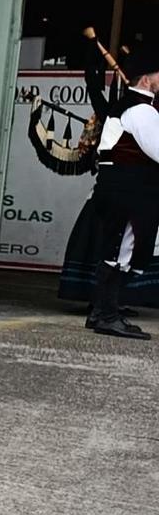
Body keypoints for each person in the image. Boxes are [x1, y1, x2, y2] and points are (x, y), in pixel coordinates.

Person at [84, 46, 159, 339]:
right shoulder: (140, 110)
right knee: (121, 250)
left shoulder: (130, 105)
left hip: (122, 188)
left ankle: (103, 311)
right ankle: (106, 315)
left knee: (118, 249)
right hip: (130, 190)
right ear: (145, 80)